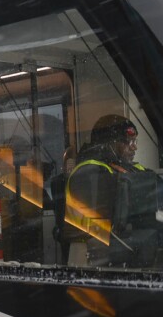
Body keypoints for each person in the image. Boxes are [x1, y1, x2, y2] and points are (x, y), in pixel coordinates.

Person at [65, 114, 160, 267]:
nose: (134, 147)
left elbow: (153, 183)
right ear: (109, 143)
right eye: (128, 142)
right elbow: (111, 223)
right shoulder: (88, 172)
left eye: (135, 141)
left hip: (121, 255)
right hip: (91, 257)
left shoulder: (129, 167)